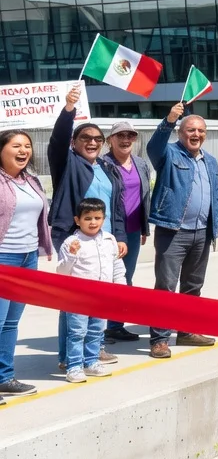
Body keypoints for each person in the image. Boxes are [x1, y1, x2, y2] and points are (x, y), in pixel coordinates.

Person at [49, 85, 127, 369]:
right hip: (72, 236)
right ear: (75, 142)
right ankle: (68, 356)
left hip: (101, 236)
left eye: (97, 138)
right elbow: (56, 142)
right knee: (74, 298)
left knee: (97, 292)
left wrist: (117, 236)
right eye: (86, 138)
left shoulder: (107, 168)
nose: (92, 142)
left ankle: (92, 349)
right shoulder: (68, 162)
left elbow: (115, 206)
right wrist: (69, 110)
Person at [146, 101, 218, 359]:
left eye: (200, 131)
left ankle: (187, 331)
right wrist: (168, 120)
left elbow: (216, 194)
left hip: (202, 232)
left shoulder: (210, 161)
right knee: (165, 286)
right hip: (173, 231)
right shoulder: (168, 154)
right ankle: (159, 339)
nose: (196, 135)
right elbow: (153, 146)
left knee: (193, 286)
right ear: (180, 133)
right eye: (190, 130)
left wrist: (215, 224)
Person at [0, 129, 51, 403]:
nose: (24, 151)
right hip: (3, 259)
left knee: (10, 323)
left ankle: (5, 378)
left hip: (27, 258)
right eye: (16, 145)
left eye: (27, 146)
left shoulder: (30, 180)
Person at [57, 199, 122, 383]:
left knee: (96, 331)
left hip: (101, 296)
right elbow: (62, 271)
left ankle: (91, 362)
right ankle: (74, 366)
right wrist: (71, 254)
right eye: (88, 218)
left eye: (97, 218)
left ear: (104, 219)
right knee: (77, 332)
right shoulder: (72, 242)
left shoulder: (109, 240)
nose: (93, 222)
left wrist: (120, 287)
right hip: (78, 297)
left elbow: (117, 265)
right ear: (78, 220)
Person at [102, 121, 152, 343]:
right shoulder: (102, 164)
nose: (125, 139)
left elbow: (144, 197)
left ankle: (115, 325)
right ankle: (94, 329)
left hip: (132, 231)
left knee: (124, 278)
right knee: (102, 280)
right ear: (109, 140)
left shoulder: (140, 164)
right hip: (108, 231)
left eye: (130, 135)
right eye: (120, 135)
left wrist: (144, 227)